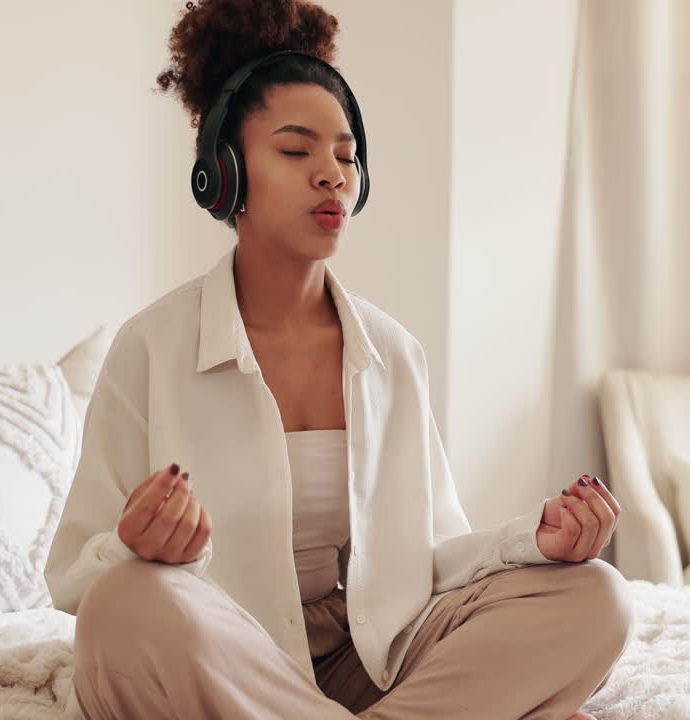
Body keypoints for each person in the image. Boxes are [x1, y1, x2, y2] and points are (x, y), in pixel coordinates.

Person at [45, 1, 634, 718]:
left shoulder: (390, 352)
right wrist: (134, 548)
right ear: (223, 175)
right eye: (296, 152)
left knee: (595, 597)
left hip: (370, 656)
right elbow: (76, 575)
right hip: (219, 652)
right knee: (125, 604)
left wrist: (534, 542)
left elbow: (429, 558)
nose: (332, 174)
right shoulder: (150, 347)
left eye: (346, 156)